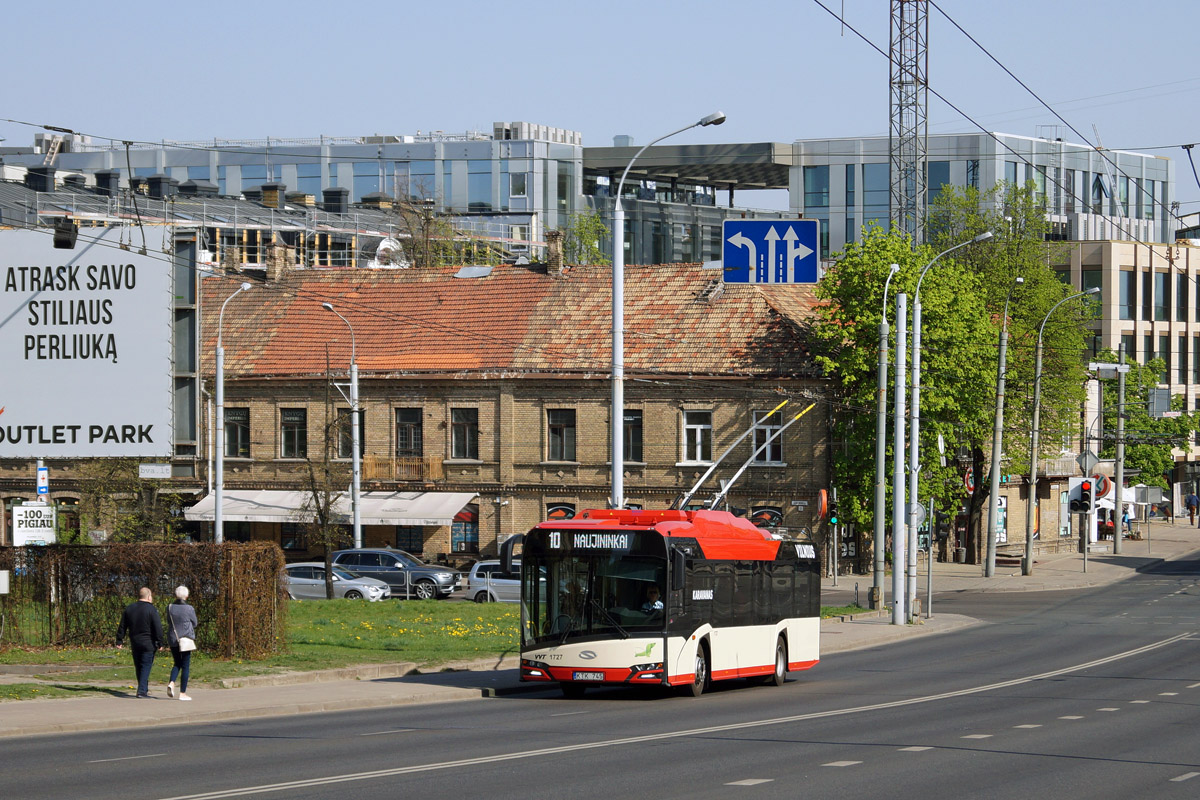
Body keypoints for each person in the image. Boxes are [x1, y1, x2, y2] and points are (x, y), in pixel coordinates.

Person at [115, 587, 164, 698]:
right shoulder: (151, 610)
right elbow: (157, 627)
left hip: (135, 641)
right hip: (148, 642)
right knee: (146, 665)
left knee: (139, 666)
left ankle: (143, 689)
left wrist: (119, 639)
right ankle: (142, 691)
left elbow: (122, 625)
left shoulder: (130, 608)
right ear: (149, 596)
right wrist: (160, 642)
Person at [166, 585, 199, 701]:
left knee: (177, 663)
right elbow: (195, 623)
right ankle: (183, 693)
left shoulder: (169, 607)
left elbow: (168, 621)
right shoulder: (189, 608)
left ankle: (171, 682)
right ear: (186, 596)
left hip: (173, 638)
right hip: (185, 639)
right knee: (185, 666)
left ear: (175, 595)